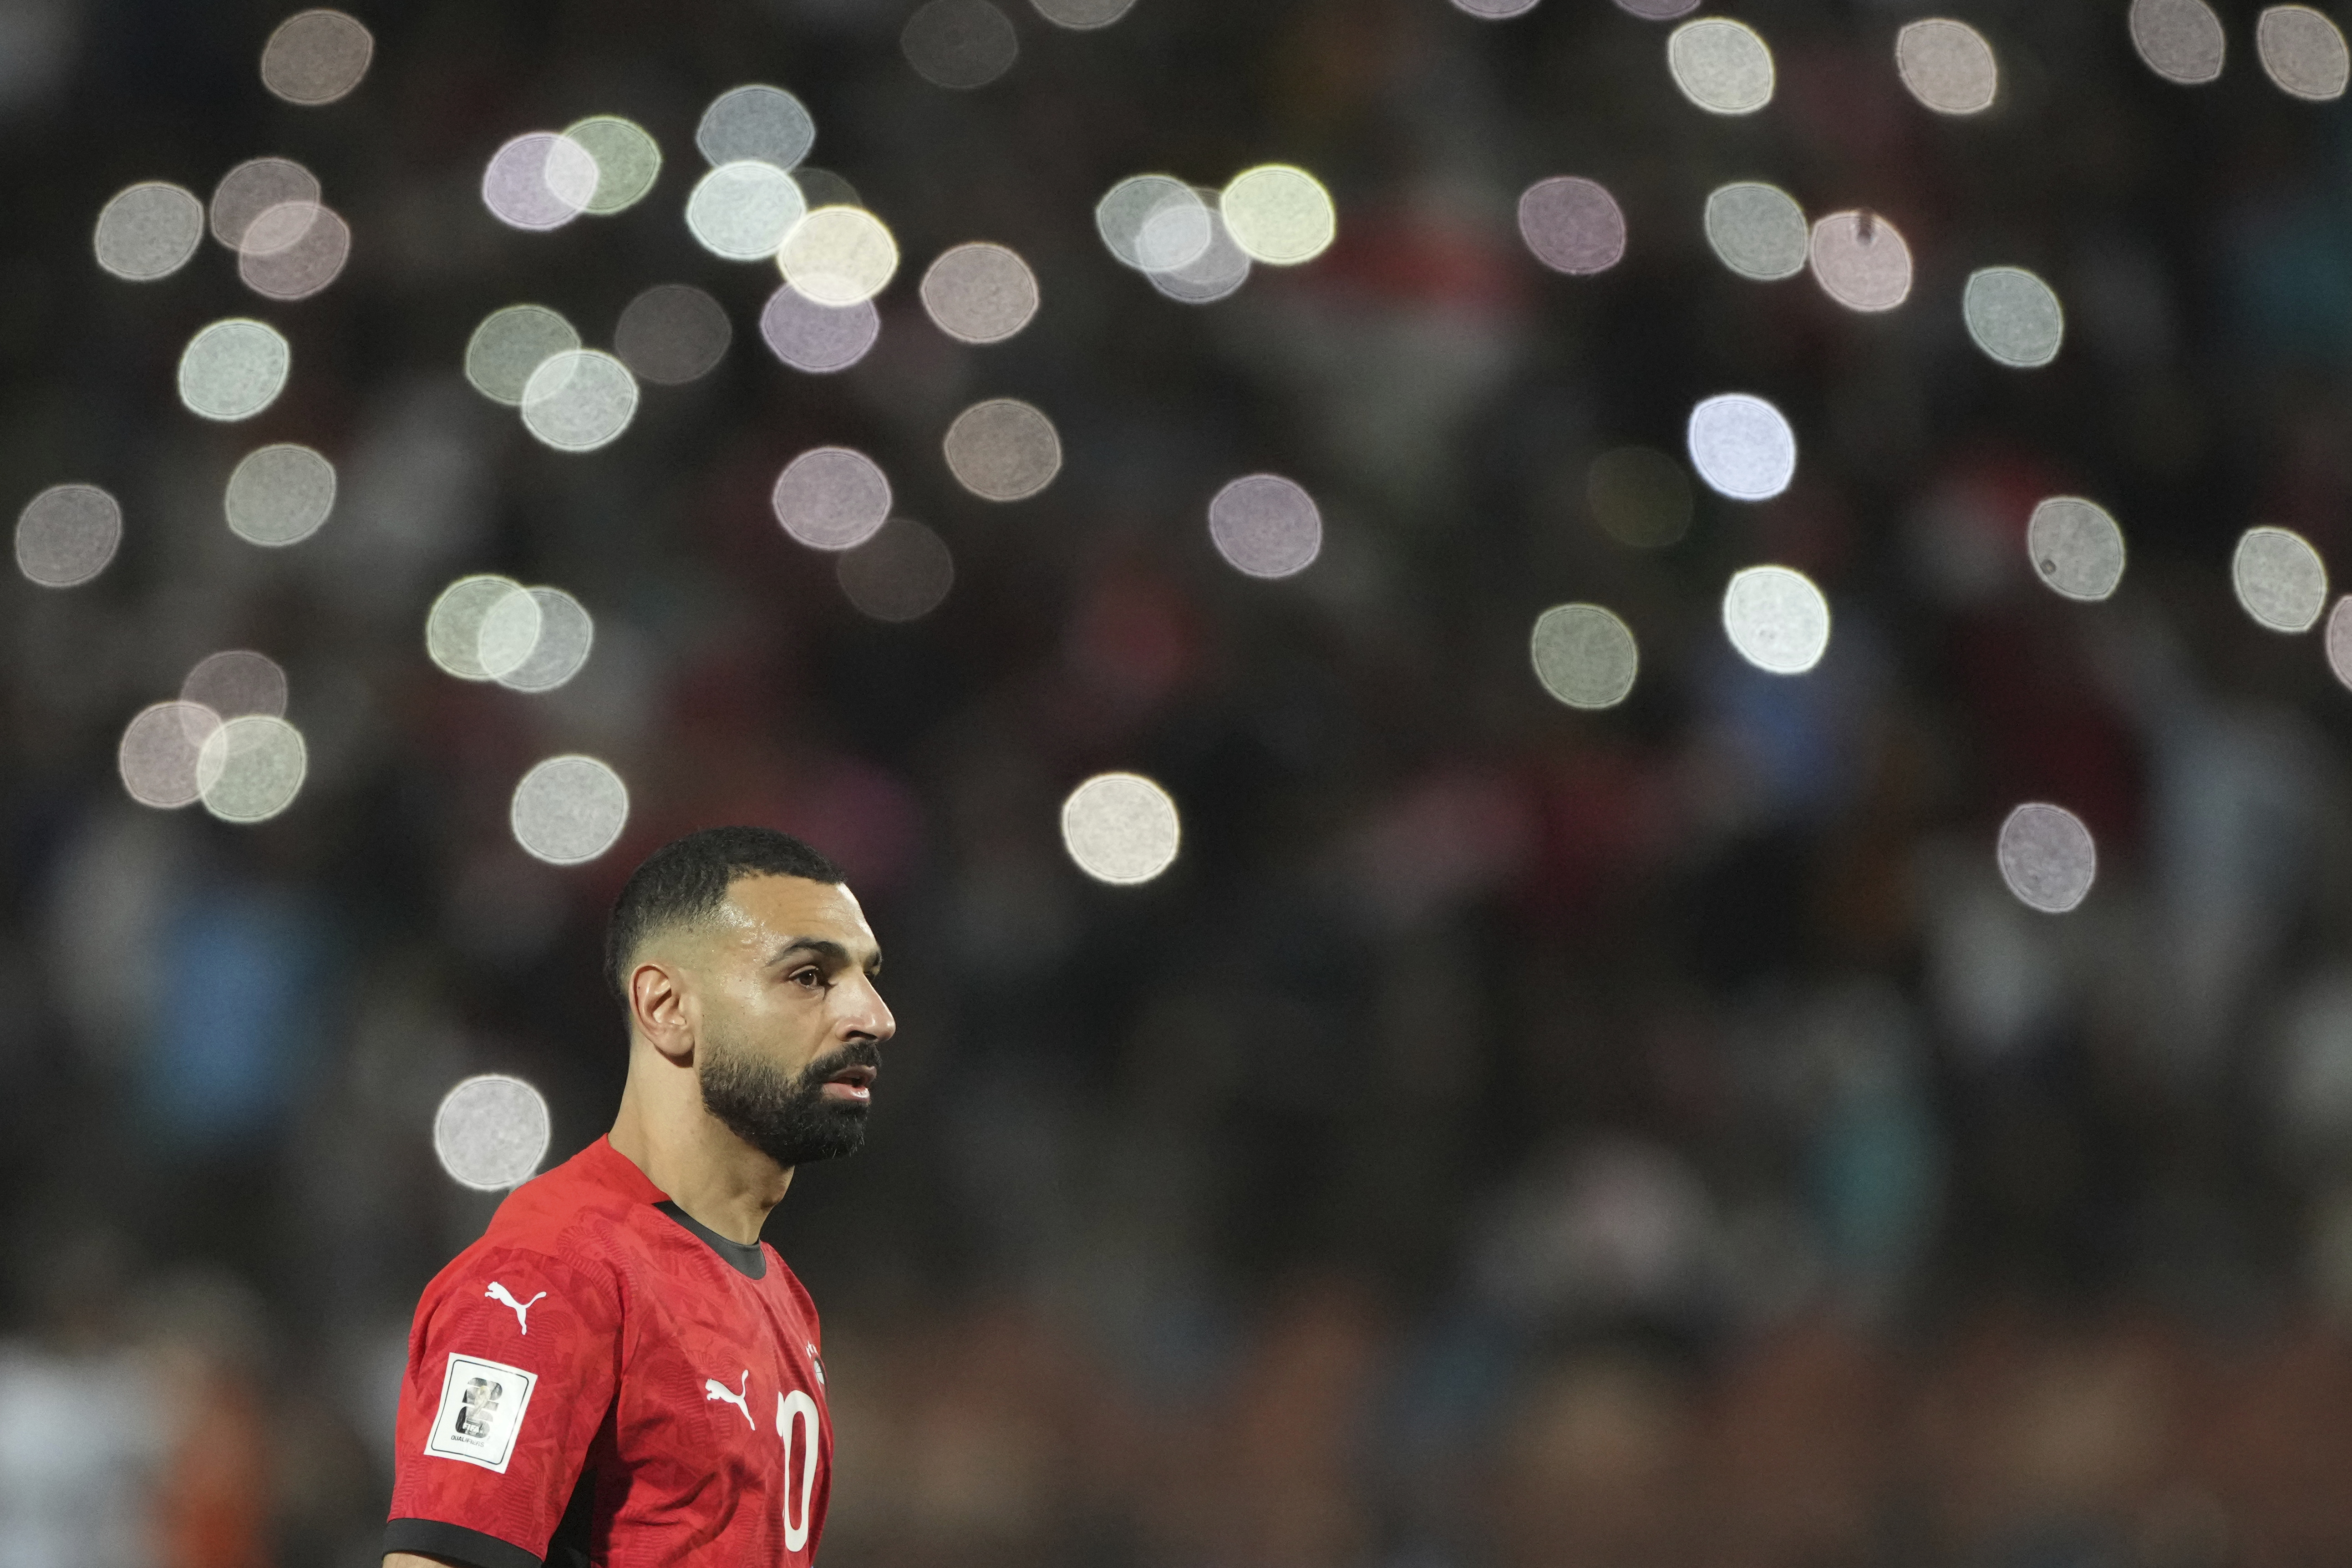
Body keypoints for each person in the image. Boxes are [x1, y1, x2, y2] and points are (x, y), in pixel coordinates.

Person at [382, 827, 894, 1568]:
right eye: (810, 975)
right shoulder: (553, 1272)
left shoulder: (781, 1295)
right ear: (666, 1006)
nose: (874, 1016)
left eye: (869, 976)